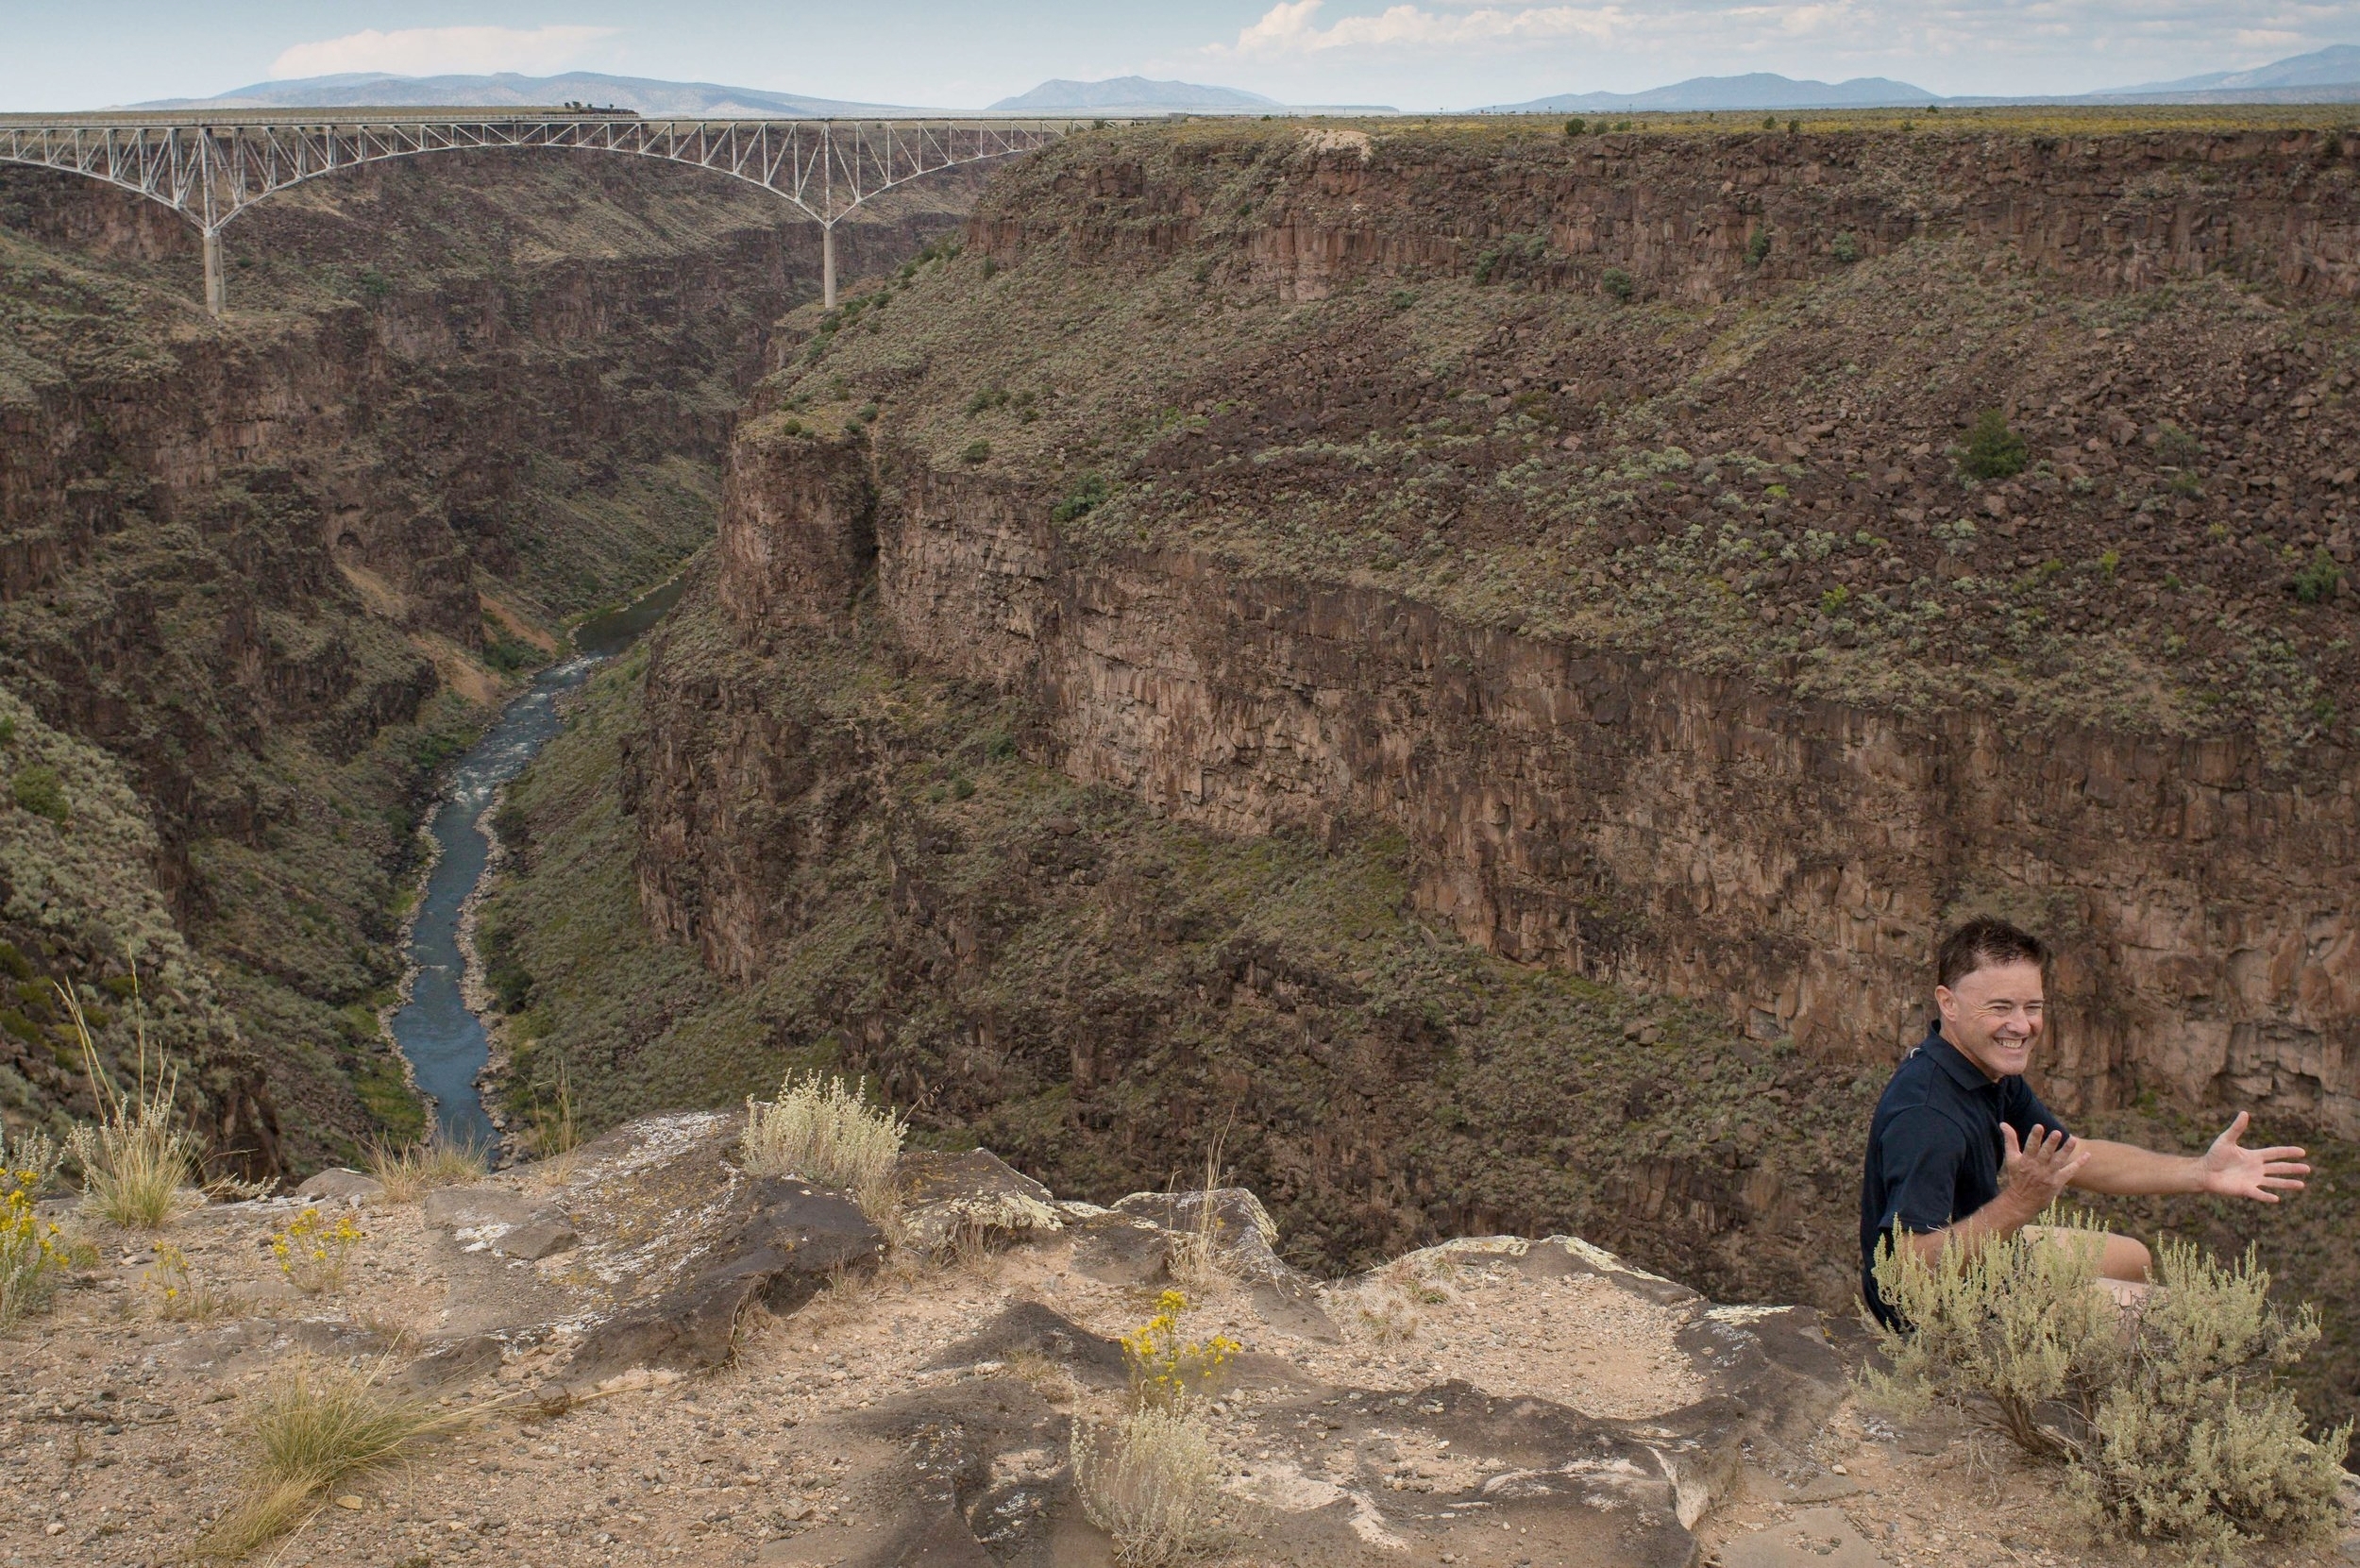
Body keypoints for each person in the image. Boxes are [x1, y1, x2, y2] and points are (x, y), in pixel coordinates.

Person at [1859, 916, 2309, 1325]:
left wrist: (2200, 1172)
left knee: (2135, 1260)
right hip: (1929, 1305)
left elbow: (2074, 1156)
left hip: (1983, 1255)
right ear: (1948, 1003)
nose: (2021, 1026)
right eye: (1999, 1008)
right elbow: (1909, 1267)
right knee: (2172, 1325)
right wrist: (2018, 1203)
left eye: (2031, 1007)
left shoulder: (1988, 1072)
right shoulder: (1928, 1114)